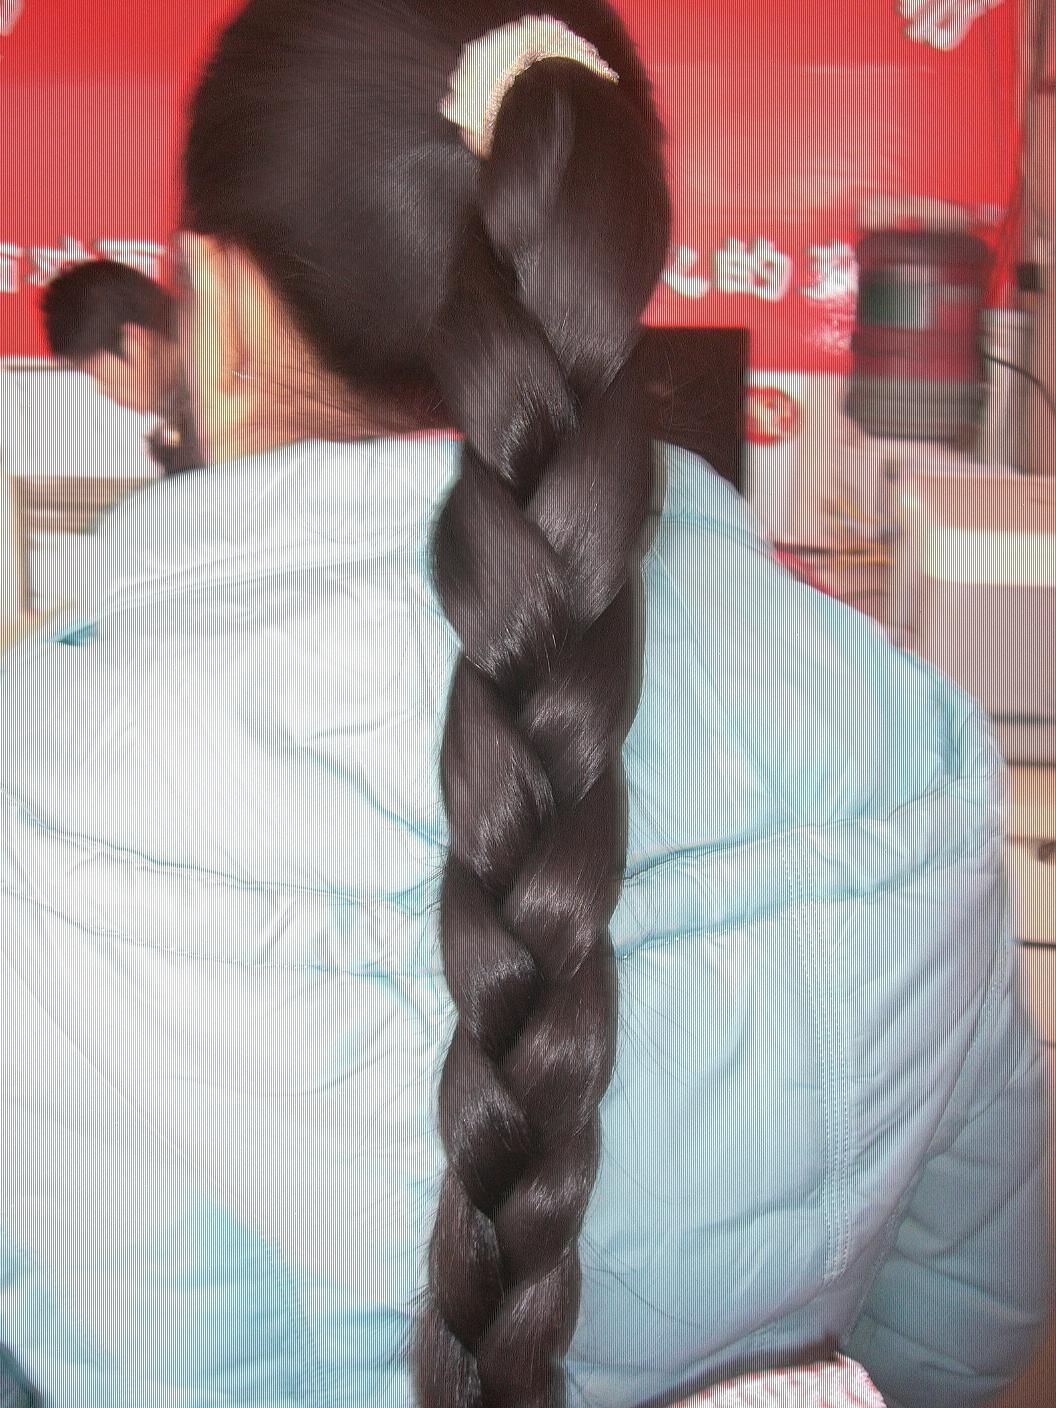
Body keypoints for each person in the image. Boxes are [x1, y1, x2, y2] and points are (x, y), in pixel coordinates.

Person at [0, 2, 1051, 1406]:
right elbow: (959, 1322)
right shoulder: (897, 730)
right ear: (605, 255)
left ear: (224, 299)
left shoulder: (35, 779)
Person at [39, 257, 200, 474]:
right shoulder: (189, 406)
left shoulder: (224, 408)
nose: (103, 390)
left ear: (136, 343)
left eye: (101, 377)